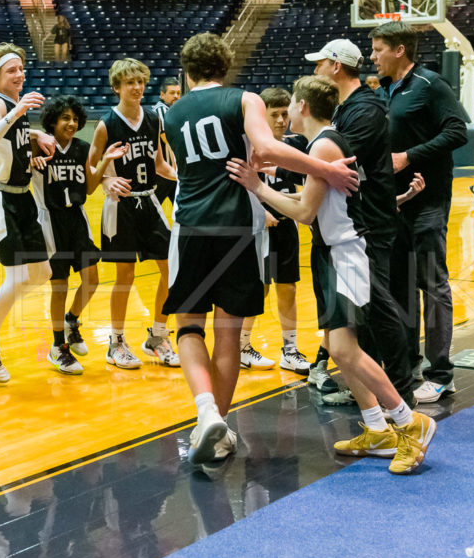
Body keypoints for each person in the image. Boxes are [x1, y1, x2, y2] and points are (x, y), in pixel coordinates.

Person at [160, 32, 358, 467]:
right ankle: (219, 424)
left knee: (188, 326)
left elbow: (194, 166)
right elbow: (266, 149)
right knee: (228, 333)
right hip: (238, 225)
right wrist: (325, 168)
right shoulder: (244, 98)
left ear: (188, 70)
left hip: (190, 223)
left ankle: (206, 412)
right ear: (225, 66)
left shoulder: (172, 113)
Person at [227, 75, 435, 474]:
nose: (285, 112)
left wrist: (257, 188)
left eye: (290, 105)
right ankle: (376, 428)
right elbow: (309, 203)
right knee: (342, 349)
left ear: (302, 106)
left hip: (346, 254)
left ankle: (411, 422)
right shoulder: (320, 144)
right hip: (331, 252)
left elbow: (303, 214)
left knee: (344, 351)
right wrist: (268, 187)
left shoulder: (324, 143)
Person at [307, 39, 419, 407]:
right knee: (366, 311)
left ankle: (401, 392)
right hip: (358, 224)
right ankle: (372, 393)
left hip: (370, 225)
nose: (315, 70)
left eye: (319, 63)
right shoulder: (347, 108)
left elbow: (337, 161)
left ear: (336, 66)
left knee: (380, 308)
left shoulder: (365, 108)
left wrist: (275, 167)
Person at [369, 21, 468, 404]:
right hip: (394, 205)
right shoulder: (385, 90)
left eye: (378, 49)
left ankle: (441, 373)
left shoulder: (430, 85)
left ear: (399, 50)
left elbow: (457, 132)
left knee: (432, 283)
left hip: (428, 202)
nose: (373, 56)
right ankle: (406, 365)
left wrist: (409, 156)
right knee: (400, 287)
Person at [0, 43, 54, 384]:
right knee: (16, 278)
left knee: (42, 272)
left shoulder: (13, 106)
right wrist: (17, 116)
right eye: (11, 70)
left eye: (21, 68)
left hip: (21, 197)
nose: (20, 74)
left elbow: (8, 135)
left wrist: (33, 133)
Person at [87, 58, 178, 369]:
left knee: (171, 270)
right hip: (120, 208)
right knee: (125, 276)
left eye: (140, 82)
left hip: (150, 202)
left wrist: (185, 178)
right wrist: (107, 179)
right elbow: (91, 169)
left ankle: (158, 335)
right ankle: (115, 342)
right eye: (130, 83)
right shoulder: (105, 124)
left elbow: (159, 165)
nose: (137, 87)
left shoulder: (154, 118)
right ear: (117, 88)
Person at [33, 95, 127, 374]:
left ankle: (72, 320)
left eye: (75, 119)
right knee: (59, 285)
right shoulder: (38, 146)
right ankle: (58, 346)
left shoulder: (83, 148)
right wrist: (35, 138)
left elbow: (88, 188)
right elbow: (13, 133)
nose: (71, 123)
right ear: (52, 121)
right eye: (65, 118)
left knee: (92, 278)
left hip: (77, 218)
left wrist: (104, 162)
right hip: (50, 221)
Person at [236, 87, 310, 374]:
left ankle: (289, 350)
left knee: (288, 287)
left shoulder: (296, 144)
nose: (280, 120)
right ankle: (242, 346)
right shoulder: (248, 145)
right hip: (257, 224)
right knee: (259, 288)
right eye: (274, 115)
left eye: (283, 114)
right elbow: (239, 183)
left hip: (286, 222)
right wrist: (260, 210)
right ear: (261, 116)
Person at [151, 77, 182, 205]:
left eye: (178, 93)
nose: (176, 96)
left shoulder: (171, 111)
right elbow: (168, 140)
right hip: (164, 171)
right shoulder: (161, 110)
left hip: (169, 171)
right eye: (172, 93)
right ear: (162, 94)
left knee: (181, 207)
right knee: (153, 208)